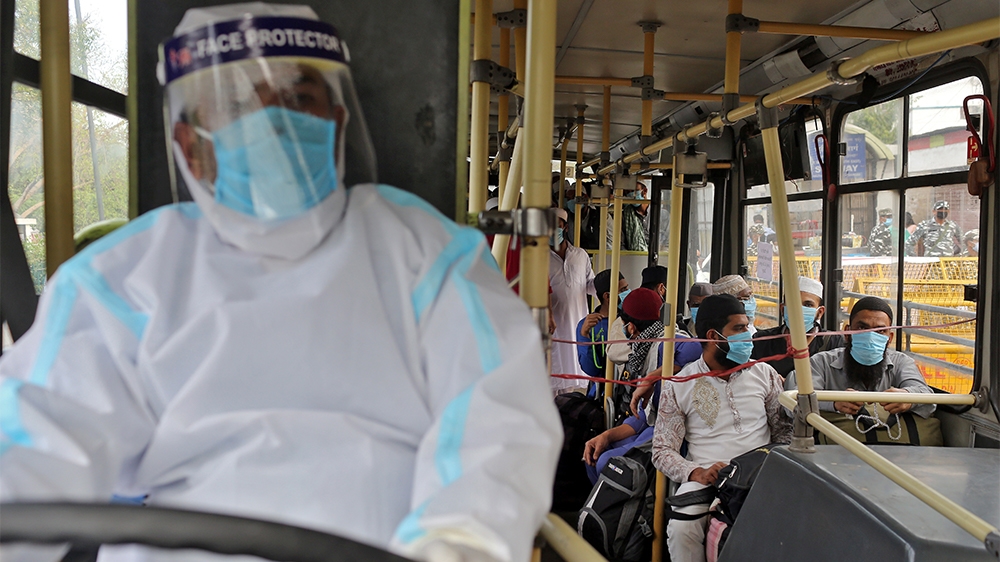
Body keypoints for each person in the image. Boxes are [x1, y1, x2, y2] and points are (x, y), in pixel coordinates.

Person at [0, 6, 562, 562]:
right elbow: (34, 442)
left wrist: (456, 548)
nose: (270, 121)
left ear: (336, 120)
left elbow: (499, 426)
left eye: (296, 99)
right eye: (236, 104)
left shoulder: (428, 255)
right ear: (190, 144)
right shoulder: (123, 281)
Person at [652, 294, 791, 562]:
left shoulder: (765, 374)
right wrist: (695, 472)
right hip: (709, 478)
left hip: (760, 476)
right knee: (682, 528)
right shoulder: (680, 383)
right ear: (714, 336)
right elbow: (661, 450)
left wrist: (773, 465)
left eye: (747, 326)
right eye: (739, 329)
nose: (749, 335)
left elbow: (783, 431)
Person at [582, 288, 701, 484]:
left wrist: (653, 377)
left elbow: (694, 347)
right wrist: (606, 435)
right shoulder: (643, 352)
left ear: (630, 328)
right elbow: (643, 414)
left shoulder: (664, 344)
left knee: (606, 462)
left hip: (668, 430)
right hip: (649, 422)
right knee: (596, 455)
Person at [785, 296, 935, 418]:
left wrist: (907, 398)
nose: (870, 336)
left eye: (880, 331)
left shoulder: (902, 362)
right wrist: (833, 403)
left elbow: (927, 397)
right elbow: (793, 402)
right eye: (862, 328)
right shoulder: (821, 363)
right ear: (847, 332)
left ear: (889, 338)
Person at [751, 277, 844, 377]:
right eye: (792, 303)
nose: (799, 310)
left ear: (820, 312)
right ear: (783, 309)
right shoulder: (761, 341)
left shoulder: (834, 343)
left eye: (808, 305)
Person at [550, 207, 597, 394]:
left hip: (578, 322)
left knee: (577, 382)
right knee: (554, 374)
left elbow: (589, 284)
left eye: (556, 226)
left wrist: (608, 289)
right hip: (554, 325)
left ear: (566, 227)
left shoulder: (580, 255)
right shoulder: (538, 258)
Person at [577, 269, 628, 396]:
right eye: (622, 290)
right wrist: (584, 336)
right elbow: (591, 369)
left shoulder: (630, 320)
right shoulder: (589, 326)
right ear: (607, 296)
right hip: (602, 391)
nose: (627, 293)